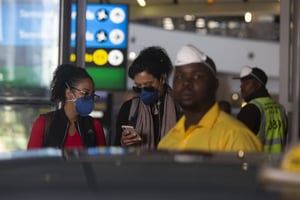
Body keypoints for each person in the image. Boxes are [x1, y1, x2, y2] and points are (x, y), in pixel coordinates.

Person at [158, 44, 262, 152]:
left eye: (197, 76)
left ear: (215, 84)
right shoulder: (167, 141)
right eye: (180, 76)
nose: (186, 83)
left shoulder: (235, 138)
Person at [114, 46, 182, 149]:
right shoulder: (129, 109)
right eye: (138, 87)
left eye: (148, 86)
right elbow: (115, 149)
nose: (143, 92)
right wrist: (123, 143)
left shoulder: (181, 109)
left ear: (162, 78)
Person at [27, 64, 106, 149]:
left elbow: (102, 160)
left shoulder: (94, 126)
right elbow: (31, 160)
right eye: (85, 93)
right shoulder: (44, 124)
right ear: (69, 93)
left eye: (92, 95)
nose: (89, 98)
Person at [234, 66, 288, 153]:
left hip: (257, 164)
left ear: (258, 85)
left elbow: (238, 144)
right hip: (277, 163)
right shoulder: (279, 108)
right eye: (241, 82)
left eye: (246, 83)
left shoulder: (250, 110)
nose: (241, 86)